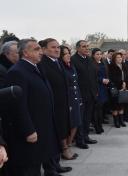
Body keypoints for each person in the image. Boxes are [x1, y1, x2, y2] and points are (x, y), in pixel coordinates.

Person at [3, 39, 59, 176]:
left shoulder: (35, 67)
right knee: (29, 169)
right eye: (36, 49)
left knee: (36, 166)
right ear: (25, 52)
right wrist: (28, 130)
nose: (40, 52)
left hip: (41, 128)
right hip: (29, 133)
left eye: (40, 49)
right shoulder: (17, 72)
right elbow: (17, 106)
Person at [38, 38, 73, 175]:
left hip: (61, 105)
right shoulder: (42, 64)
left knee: (60, 134)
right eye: (53, 47)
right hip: (51, 107)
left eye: (58, 47)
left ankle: (56, 164)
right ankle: (50, 168)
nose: (57, 49)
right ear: (44, 49)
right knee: (51, 139)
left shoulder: (58, 62)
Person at [71, 40, 98, 149]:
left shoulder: (90, 59)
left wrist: (95, 91)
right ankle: (79, 140)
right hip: (80, 94)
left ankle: (86, 136)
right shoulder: (73, 60)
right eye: (84, 46)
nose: (86, 48)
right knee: (80, 118)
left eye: (87, 46)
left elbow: (93, 77)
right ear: (77, 48)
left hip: (91, 94)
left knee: (87, 117)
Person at [59, 45, 81, 158]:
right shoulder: (60, 67)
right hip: (67, 99)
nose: (68, 55)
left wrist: (79, 98)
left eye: (68, 52)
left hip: (75, 97)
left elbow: (76, 83)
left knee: (76, 122)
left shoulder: (71, 66)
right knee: (68, 123)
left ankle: (69, 144)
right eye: (65, 53)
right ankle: (65, 148)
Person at [92, 48, 109, 134]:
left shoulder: (103, 63)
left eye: (100, 54)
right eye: (97, 54)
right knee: (97, 108)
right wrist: (101, 80)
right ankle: (97, 126)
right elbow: (93, 77)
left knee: (101, 108)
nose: (99, 56)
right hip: (97, 87)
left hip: (104, 87)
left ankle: (100, 124)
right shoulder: (92, 64)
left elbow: (106, 73)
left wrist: (107, 79)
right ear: (93, 55)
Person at [109, 52, 128, 127]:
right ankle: (116, 122)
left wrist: (125, 83)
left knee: (121, 104)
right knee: (115, 106)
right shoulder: (111, 66)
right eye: (118, 57)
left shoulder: (123, 65)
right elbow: (112, 78)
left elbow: (126, 76)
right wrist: (121, 83)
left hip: (123, 87)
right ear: (114, 59)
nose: (120, 58)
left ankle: (121, 120)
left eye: (120, 57)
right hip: (115, 88)